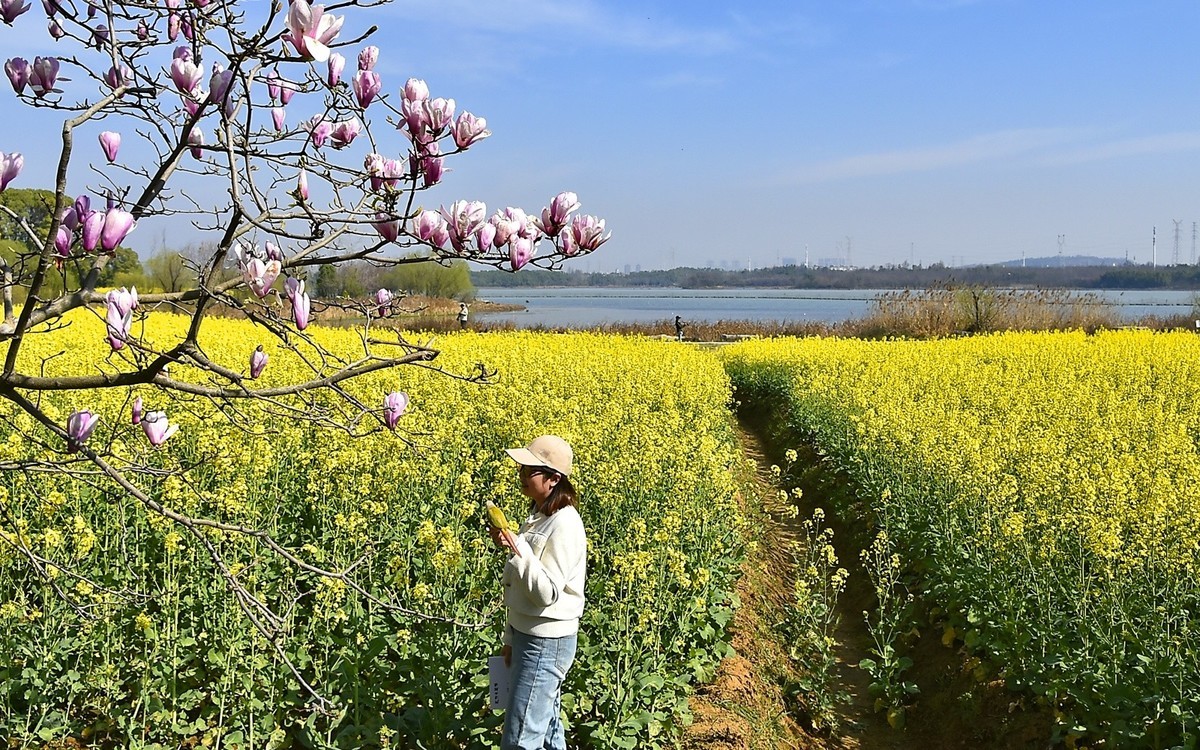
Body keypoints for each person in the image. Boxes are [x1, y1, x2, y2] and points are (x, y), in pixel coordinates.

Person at [490, 435, 587, 750]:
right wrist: (510, 638)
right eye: (522, 467)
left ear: (553, 479)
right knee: (546, 731)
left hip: (546, 643)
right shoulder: (539, 515)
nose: (521, 474)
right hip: (527, 636)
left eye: (530, 469)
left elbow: (547, 593)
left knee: (520, 739)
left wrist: (517, 551)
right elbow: (522, 589)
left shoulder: (565, 525)